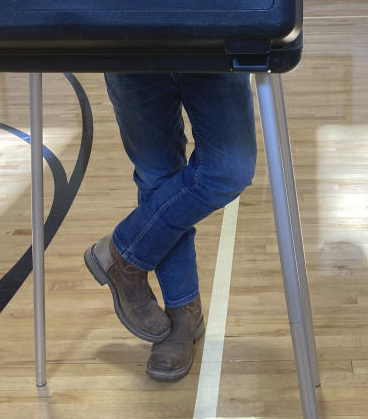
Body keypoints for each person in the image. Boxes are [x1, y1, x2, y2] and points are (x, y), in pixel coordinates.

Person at [84, 72, 257, 381]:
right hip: (129, 46)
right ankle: (184, 314)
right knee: (158, 177)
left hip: (215, 41)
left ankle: (122, 253)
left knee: (228, 170)